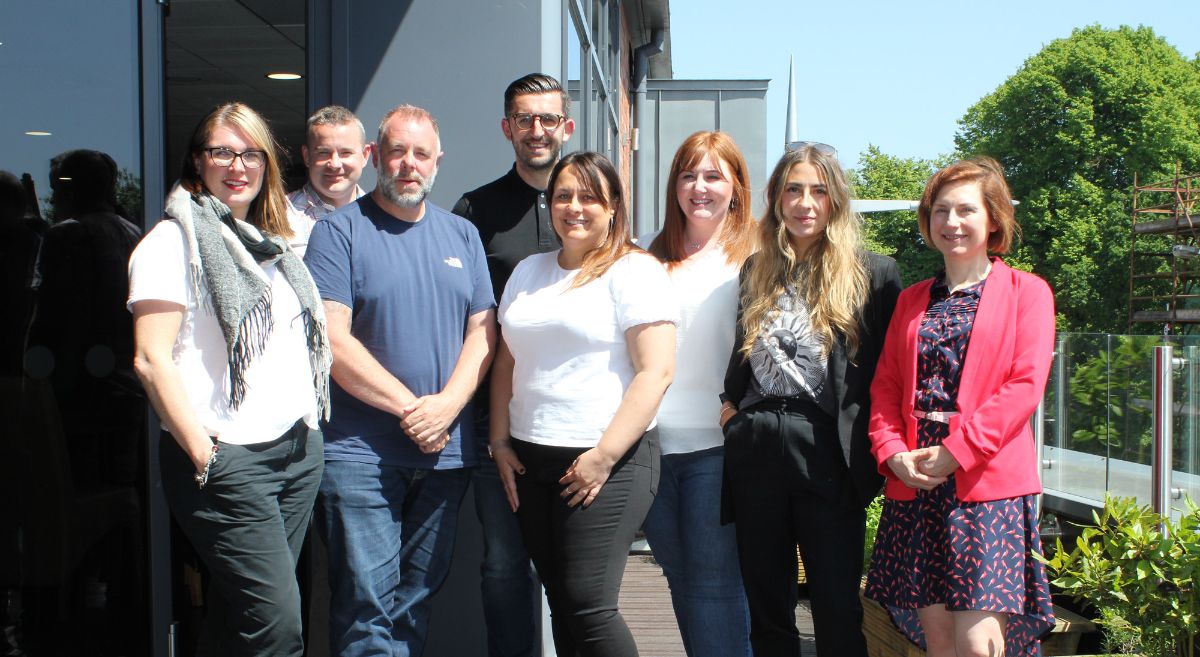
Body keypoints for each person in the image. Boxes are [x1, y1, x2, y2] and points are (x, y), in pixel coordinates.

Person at [128, 102, 331, 656]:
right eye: (222, 152)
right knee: (276, 627)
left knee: (240, 616)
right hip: (229, 461)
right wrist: (203, 452)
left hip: (295, 451)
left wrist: (309, 427)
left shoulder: (267, 243)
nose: (237, 165)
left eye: (251, 154)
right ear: (198, 161)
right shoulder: (171, 244)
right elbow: (150, 359)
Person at [303, 104, 496, 657]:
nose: (408, 164)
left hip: (444, 456)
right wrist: (416, 410)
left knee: (415, 602)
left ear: (438, 161)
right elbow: (333, 342)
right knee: (366, 605)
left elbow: (483, 333)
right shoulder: (338, 233)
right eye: (397, 151)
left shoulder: (462, 235)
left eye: (421, 153)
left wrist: (449, 407)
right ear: (375, 157)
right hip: (360, 455)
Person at [864, 157, 1056, 657]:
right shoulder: (910, 300)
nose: (952, 223)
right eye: (940, 211)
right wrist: (891, 453)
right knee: (940, 644)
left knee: (978, 645)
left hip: (986, 483)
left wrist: (959, 450)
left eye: (966, 210)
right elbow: (885, 386)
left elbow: (1024, 386)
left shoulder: (1028, 294)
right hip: (917, 479)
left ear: (993, 218)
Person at [489, 151, 676, 657]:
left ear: (613, 205)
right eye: (563, 195)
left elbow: (656, 371)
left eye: (589, 196)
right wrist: (499, 439)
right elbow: (507, 362)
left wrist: (603, 457)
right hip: (531, 458)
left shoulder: (635, 270)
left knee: (588, 605)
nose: (574, 206)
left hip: (607, 461)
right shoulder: (529, 271)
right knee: (564, 604)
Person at [718, 143, 901, 657]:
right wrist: (730, 409)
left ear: (836, 199)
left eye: (819, 190)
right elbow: (744, 349)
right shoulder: (756, 266)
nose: (805, 202)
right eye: (794, 189)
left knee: (836, 607)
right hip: (756, 446)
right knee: (768, 605)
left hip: (828, 453)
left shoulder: (874, 273)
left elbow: (890, 373)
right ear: (777, 197)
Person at [452, 72, 575, 657]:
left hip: (576, 416)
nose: (536, 130)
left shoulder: (592, 204)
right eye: (524, 119)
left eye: (547, 118)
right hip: (493, 420)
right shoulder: (474, 211)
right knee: (503, 567)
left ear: (566, 126)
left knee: (577, 574)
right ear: (507, 128)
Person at [641, 131, 755, 657]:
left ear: (736, 185)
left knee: (714, 584)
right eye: (688, 175)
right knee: (680, 579)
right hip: (653, 447)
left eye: (713, 175)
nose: (699, 187)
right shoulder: (647, 256)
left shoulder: (756, 256)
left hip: (719, 446)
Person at [287, 105, 371, 257]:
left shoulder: (383, 217)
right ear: (306, 156)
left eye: (346, 153)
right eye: (324, 153)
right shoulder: (279, 216)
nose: (335, 164)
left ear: (365, 155)